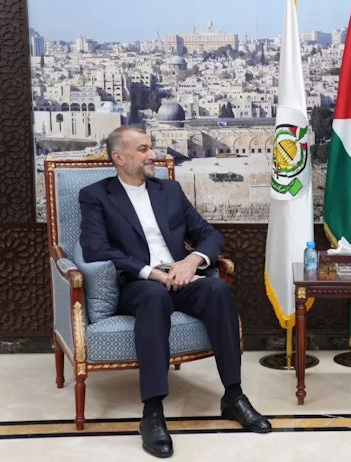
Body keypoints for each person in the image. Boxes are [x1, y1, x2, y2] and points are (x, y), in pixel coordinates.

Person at [79, 126, 271, 458]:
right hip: (137, 284)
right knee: (154, 297)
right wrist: (151, 273)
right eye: (142, 150)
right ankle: (152, 412)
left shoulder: (170, 190)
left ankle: (233, 396)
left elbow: (208, 234)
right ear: (119, 158)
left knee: (217, 291)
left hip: (179, 277)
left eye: (150, 147)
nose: (152, 154)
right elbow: (95, 249)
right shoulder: (96, 195)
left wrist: (192, 261)